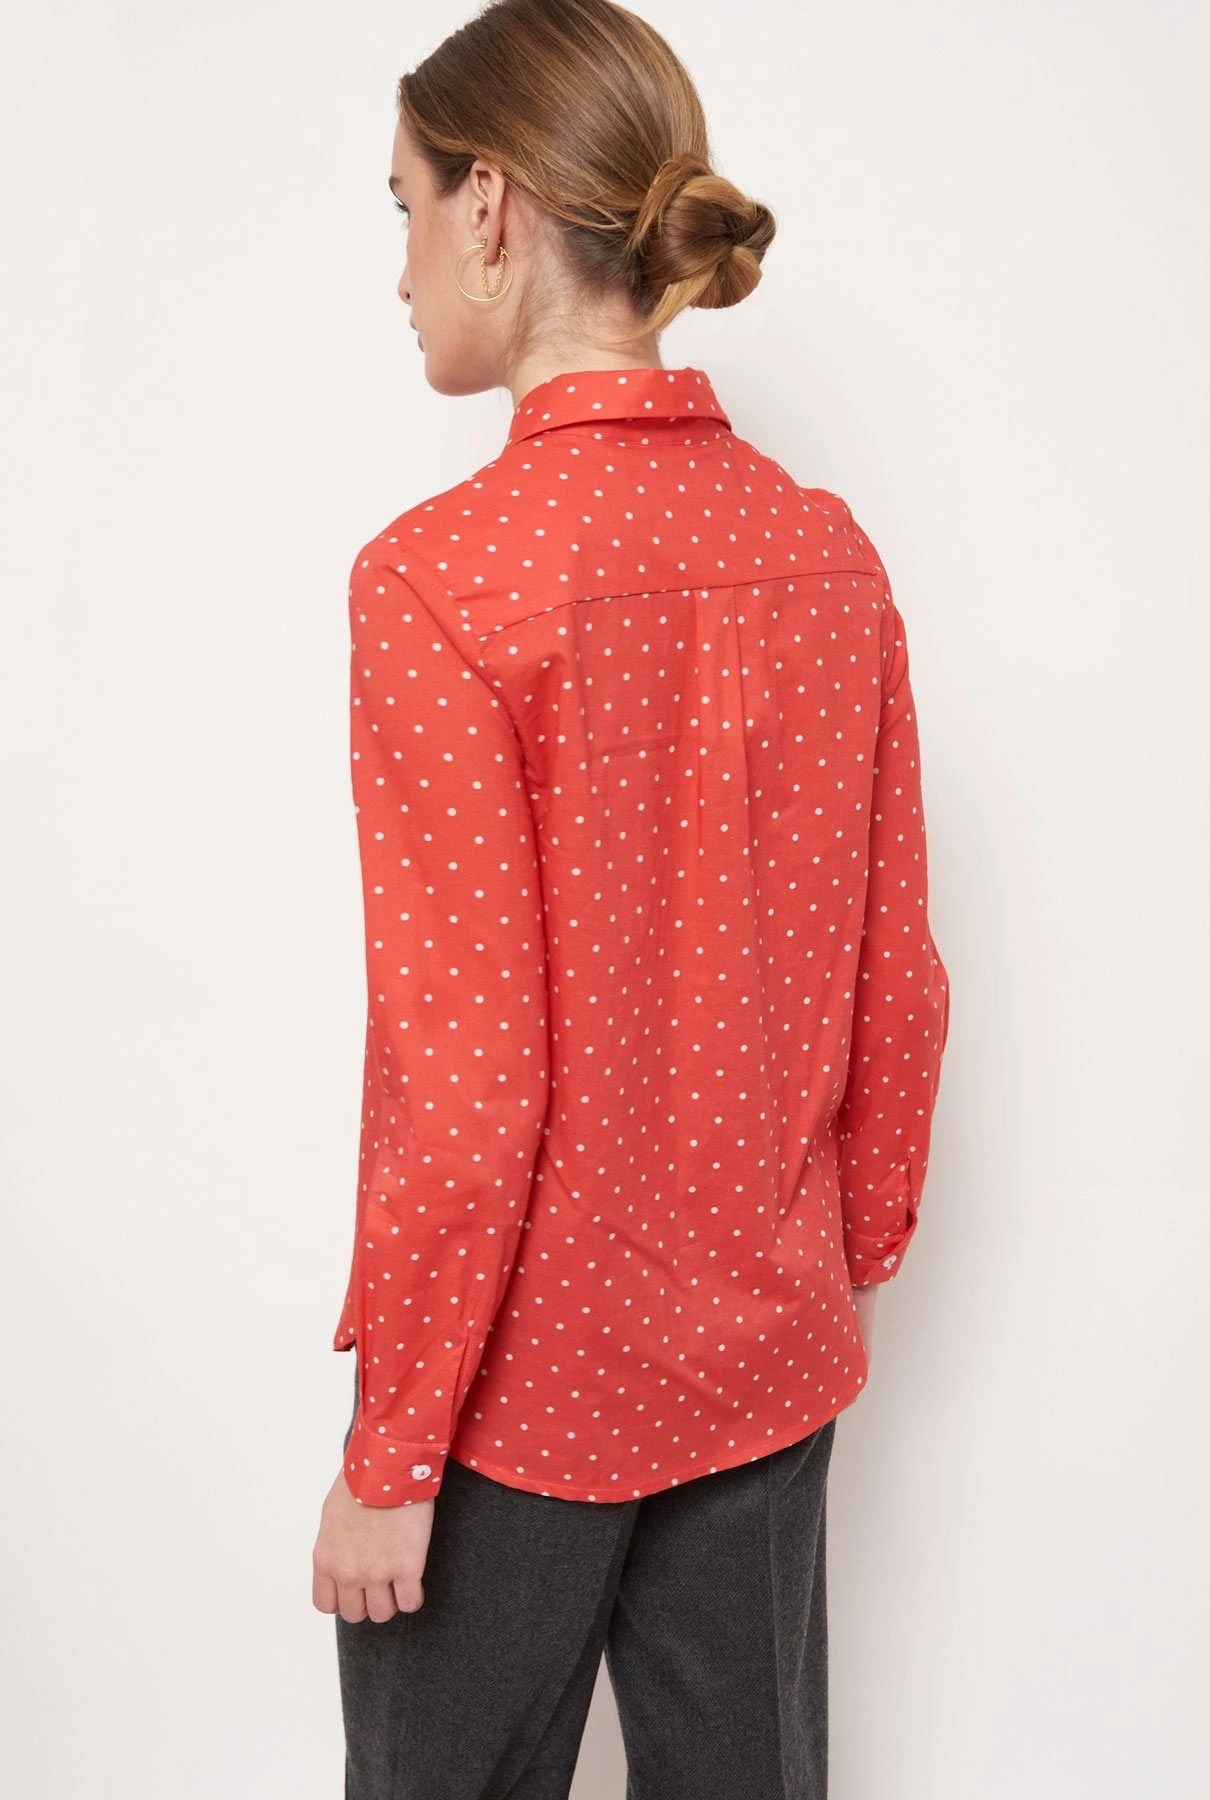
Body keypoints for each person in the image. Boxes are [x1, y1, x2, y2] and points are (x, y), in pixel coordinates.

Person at [310, 2, 951, 1794]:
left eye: (404, 208)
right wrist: (837, 1269)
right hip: (769, 1357)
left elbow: (463, 1081)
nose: (401, 268)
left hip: (516, 1392)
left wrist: (394, 1444)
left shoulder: (438, 584)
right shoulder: (825, 551)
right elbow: (896, 981)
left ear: (490, 206)